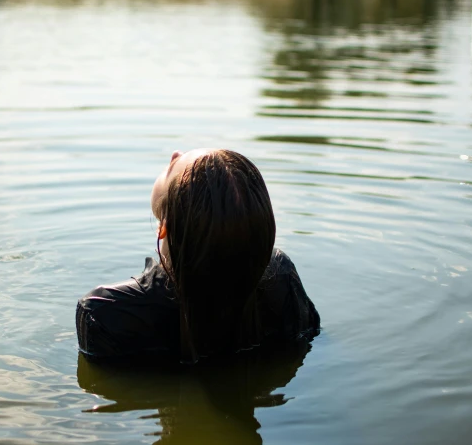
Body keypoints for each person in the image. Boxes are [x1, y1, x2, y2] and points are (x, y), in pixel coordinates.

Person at [76, 149, 320, 365]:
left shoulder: (104, 313)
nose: (175, 154)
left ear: (164, 227)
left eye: (171, 170)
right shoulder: (283, 277)